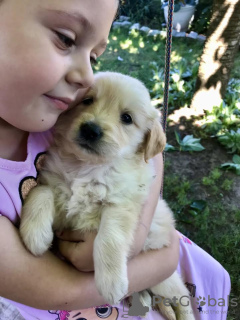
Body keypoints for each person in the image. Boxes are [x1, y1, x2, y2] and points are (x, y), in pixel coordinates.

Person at [0, 0, 230, 320]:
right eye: (65, 37)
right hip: (80, 295)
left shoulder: (49, 119)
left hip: (144, 254)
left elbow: (153, 156)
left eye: (94, 56)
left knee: (187, 302)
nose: (85, 76)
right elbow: (58, 289)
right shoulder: (49, 120)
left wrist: (137, 243)